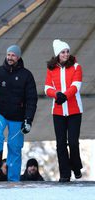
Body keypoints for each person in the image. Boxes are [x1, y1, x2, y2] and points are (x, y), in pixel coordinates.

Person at [0, 44, 38, 181]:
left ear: (18, 57)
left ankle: (13, 180)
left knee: (14, 147)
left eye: (13, 55)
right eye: (8, 54)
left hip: (18, 116)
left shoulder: (26, 75)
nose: (10, 57)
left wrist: (28, 119)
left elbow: (32, 99)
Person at [44, 39, 83, 182]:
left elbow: (76, 85)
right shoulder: (51, 69)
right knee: (61, 143)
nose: (66, 54)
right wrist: (56, 95)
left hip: (75, 111)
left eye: (67, 51)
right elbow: (47, 88)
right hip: (58, 112)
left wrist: (64, 96)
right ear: (57, 54)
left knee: (73, 142)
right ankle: (65, 174)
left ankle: (76, 166)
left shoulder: (76, 67)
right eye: (63, 52)